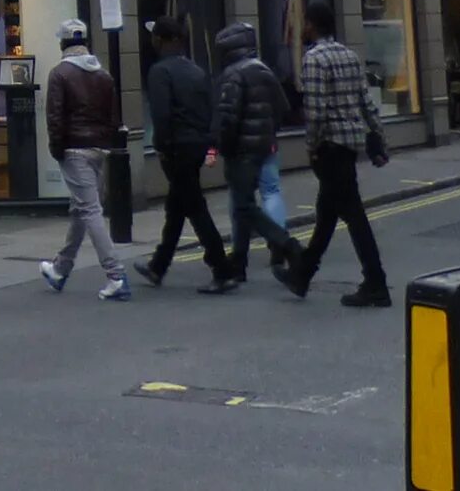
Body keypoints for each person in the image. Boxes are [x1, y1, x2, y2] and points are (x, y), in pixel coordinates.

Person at [284, 0, 388, 306]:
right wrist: (378, 136)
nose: (303, 28)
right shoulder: (349, 55)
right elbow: (365, 101)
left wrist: (311, 147)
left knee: (353, 215)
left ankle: (376, 282)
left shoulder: (314, 59)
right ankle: (302, 274)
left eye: (305, 22)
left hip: (329, 147)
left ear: (313, 26)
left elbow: (315, 113)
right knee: (327, 214)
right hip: (348, 145)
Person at [37, 17, 130, 300]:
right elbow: (113, 116)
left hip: (74, 148)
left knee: (89, 210)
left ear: (64, 43)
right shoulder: (103, 74)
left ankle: (116, 275)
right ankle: (60, 268)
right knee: (81, 208)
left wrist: (56, 148)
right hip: (99, 148)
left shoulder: (60, 73)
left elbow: (55, 117)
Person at [210, 21, 304, 293]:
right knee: (254, 200)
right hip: (265, 145)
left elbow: (227, 118)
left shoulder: (232, 75)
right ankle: (238, 265)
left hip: (242, 151)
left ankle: (287, 245)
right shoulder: (264, 70)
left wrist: (222, 146)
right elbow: (283, 108)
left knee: (243, 207)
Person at [138, 17, 230, 290]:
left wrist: (162, 146)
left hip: (176, 147)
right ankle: (158, 266)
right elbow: (210, 110)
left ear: (162, 40)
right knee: (176, 208)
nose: (152, 41)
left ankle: (222, 269)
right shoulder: (197, 71)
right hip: (197, 145)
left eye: (155, 37)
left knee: (195, 208)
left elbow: (162, 115)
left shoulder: (159, 72)